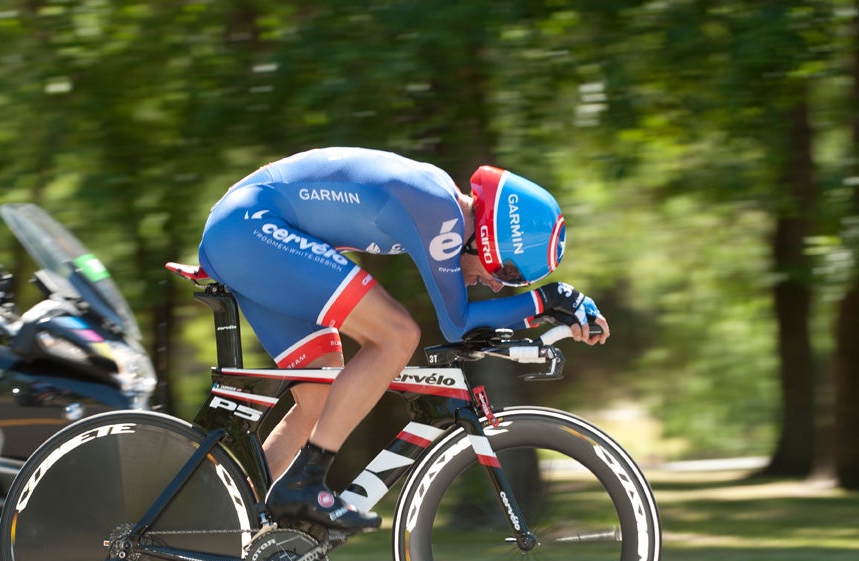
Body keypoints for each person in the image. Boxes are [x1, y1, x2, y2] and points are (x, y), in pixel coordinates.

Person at [198, 147, 609, 533]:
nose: (498, 285)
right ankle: (305, 482)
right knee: (397, 335)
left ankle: (229, 527)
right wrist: (549, 299)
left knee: (322, 397)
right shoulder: (439, 210)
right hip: (250, 228)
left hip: (244, 230)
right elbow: (457, 324)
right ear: (486, 240)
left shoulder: (438, 202)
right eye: (505, 271)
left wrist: (545, 305)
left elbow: (464, 322)